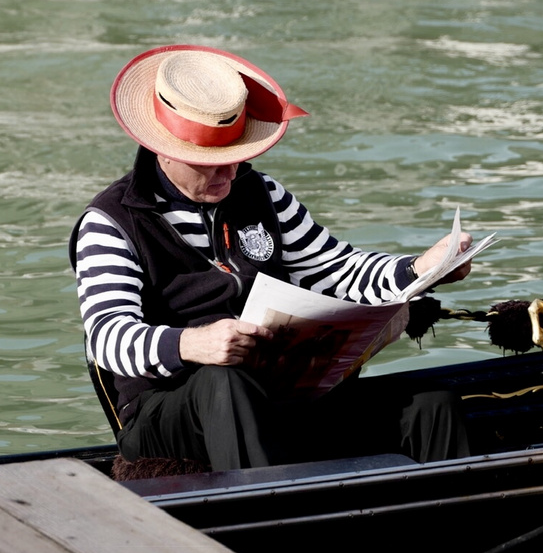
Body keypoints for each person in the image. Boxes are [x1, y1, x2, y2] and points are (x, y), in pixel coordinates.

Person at [71, 45, 474, 471]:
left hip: (280, 393)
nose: (229, 173)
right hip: (168, 412)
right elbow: (107, 337)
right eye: (210, 163)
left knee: (433, 406)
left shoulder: (263, 194)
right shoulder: (110, 221)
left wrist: (419, 269)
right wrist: (194, 343)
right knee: (224, 382)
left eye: (236, 157)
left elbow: (336, 269)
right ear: (163, 149)